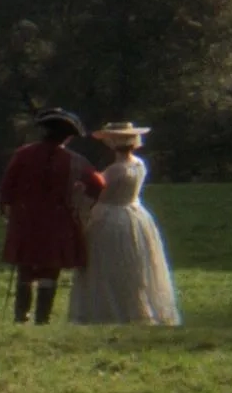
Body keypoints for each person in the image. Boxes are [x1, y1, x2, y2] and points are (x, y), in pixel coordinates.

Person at [0, 107, 106, 325]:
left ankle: (21, 316)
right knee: (50, 269)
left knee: (25, 268)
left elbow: (6, 188)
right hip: (58, 221)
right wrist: (80, 201)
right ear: (67, 136)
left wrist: (8, 210)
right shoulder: (74, 160)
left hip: (25, 219)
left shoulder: (23, 154)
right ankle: (42, 318)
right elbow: (98, 184)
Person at [69, 122, 181, 325]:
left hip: (111, 217)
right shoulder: (139, 164)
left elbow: (98, 193)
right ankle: (136, 308)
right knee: (133, 263)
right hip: (135, 214)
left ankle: (109, 310)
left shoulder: (114, 170)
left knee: (107, 263)